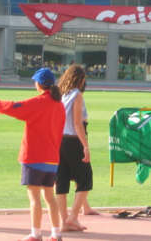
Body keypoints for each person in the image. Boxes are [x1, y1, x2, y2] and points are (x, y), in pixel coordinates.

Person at [0, 68, 65, 241]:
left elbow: (14, 108)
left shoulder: (39, 102)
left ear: (39, 84)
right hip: (52, 158)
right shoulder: (59, 104)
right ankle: (56, 233)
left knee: (34, 198)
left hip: (34, 156)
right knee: (49, 197)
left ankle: (36, 233)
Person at [55, 64, 98, 232]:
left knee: (62, 180)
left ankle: (64, 220)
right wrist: (85, 146)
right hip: (73, 140)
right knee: (86, 178)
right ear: (81, 79)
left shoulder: (60, 94)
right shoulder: (77, 95)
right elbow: (77, 123)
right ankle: (72, 217)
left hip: (59, 140)